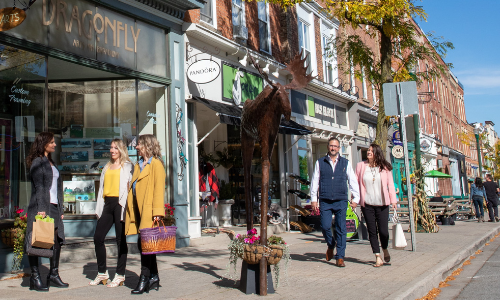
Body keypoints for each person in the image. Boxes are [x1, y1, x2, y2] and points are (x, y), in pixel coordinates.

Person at [25, 132, 68, 291]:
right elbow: (40, 187)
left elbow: (56, 187)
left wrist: (60, 207)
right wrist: (42, 208)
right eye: (52, 142)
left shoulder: (51, 162)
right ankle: (35, 278)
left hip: (54, 206)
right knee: (37, 239)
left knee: (56, 239)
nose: (55, 145)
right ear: (44, 144)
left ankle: (53, 275)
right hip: (41, 206)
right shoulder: (38, 162)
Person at [125, 135, 166, 294]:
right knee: (146, 243)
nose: (136, 147)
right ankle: (154, 276)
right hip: (138, 209)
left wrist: (157, 212)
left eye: (139, 144)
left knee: (145, 244)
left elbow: (159, 190)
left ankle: (144, 277)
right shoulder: (138, 165)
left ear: (147, 145)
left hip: (149, 211)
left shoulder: (156, 164)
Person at [90, 139, 133, 287]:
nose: (112, 150)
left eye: (116, 148)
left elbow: (131, 188)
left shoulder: (128, 166)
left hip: (120, 204)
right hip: (107, 204)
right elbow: (102, 189)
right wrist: (99, 208)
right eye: (111, 148)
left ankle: (120, 275)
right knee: (98, 238)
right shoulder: (107, 167)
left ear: (121, 150)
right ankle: (102, 273)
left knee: (121, 240)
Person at [311, 137, 360, 267]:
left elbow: (352, 181)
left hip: (341, 200)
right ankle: (331, 244)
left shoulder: (345, 163)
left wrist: (355, 199)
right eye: (331, 146)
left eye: (336, 146)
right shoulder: (320, 162)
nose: (333, 148)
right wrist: (314, 200)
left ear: (339, 148)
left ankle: (340, 257)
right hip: (325, 200)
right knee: (325, 226)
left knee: (341, 228)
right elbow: (315, 181)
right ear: (328, 147)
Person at [355, 144, 397, 267]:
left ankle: (384, 248)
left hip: (382, 204)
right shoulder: (360, 166)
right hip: (367, 204)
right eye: (368, 150)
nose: (369, 152)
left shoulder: (384, 167)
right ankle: (377, 256)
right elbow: (356, 184)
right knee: (372, 230)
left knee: (383, 231)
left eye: (371, 151)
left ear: (376, 153)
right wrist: (355, 199)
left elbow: (390, 184)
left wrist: (393, 200)